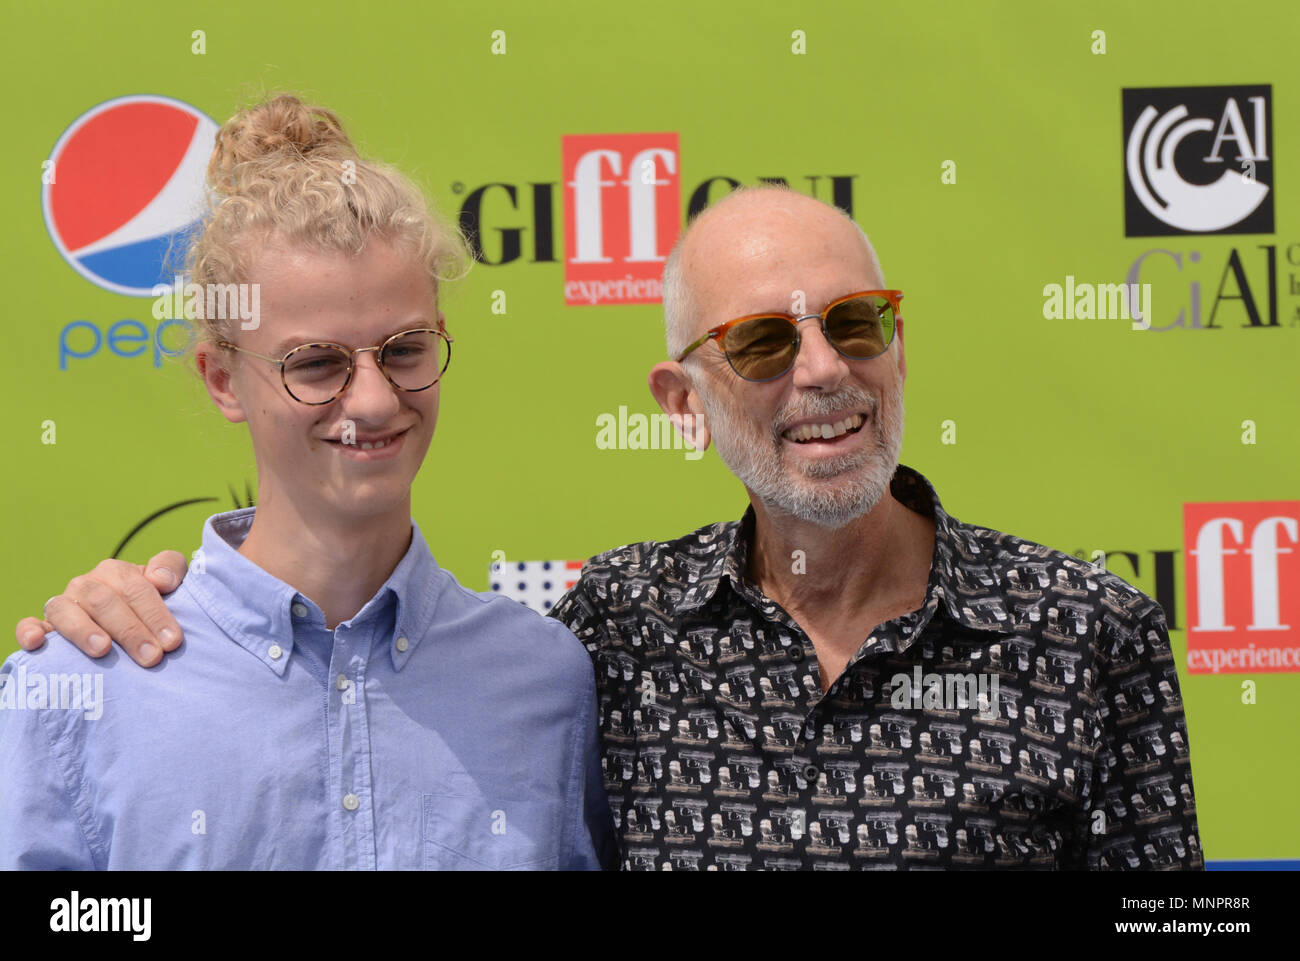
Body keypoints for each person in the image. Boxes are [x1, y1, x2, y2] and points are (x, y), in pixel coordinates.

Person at [18, 185, 1201, 870]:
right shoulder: (615, 637)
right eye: (761, 342)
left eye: (856, 321)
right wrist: (98, 636)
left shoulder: (1089, 631)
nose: (824, 373)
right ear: (682, 400)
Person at [1, 94, 614, 870]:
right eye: (316, 364)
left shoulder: (545, 682)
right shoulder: (78, 684)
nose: (371, 399)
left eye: (404, 350)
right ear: (222, 378)